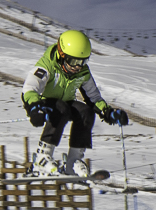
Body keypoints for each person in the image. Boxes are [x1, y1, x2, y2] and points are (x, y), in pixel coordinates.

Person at [22, 30, 129, 177]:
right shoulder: (47, 65)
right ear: (62, 54)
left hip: (66, 103)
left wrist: (108, 112)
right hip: (46, 104)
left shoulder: (82, 72)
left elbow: (93, 97)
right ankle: (42, 157)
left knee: (85, 112)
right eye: (73, 61)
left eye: (82, 62)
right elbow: (30, 88)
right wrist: (34, 108)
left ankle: (73, 161)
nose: (77, 67)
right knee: (61, 109)